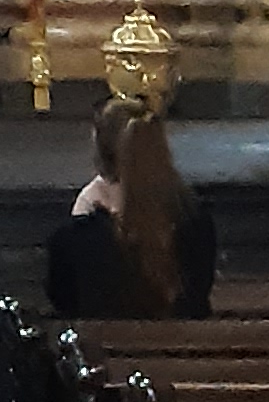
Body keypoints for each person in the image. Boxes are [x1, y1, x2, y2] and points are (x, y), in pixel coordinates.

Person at [44, 99, 213, 321]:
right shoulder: (196, 223)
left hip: (104, 343)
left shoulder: (78, 235)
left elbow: (65, 301)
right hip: (187, 342)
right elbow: (198, 296)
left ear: (100, 150)